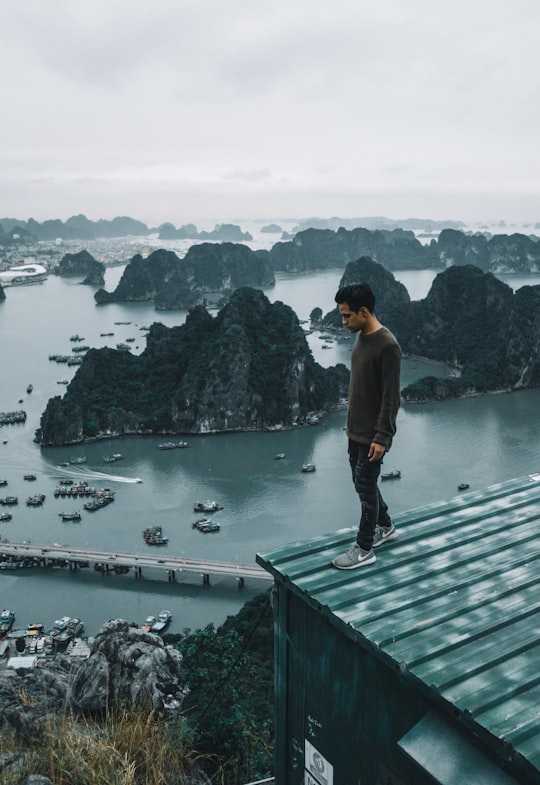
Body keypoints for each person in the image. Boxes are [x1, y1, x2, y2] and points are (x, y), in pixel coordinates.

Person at [332, 283, 402, 569]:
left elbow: (391, 397)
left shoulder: (387, 346)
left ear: (363, 312)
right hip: (355, 431)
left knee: (365, 485)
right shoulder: (362, 335)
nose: (343, 321)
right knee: (362, 484)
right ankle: (384, 526)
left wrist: (382, 437)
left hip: (373, 435)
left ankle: (364, 549)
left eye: (347, 316)